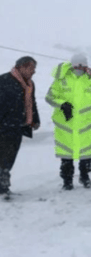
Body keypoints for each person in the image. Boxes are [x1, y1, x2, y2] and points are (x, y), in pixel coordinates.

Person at [45, 53, 91, 190]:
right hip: (66, 125)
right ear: (72, 65)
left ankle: (84, 177)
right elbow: (49, 97)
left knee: (86, 155)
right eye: (77, 65)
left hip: (87, 125)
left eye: (83, 66)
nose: (79, 68)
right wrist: (62, 104)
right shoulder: (61, 80)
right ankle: (67, 181)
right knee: (66, 156)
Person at [0, 56, 41, 197]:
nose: (34, 71)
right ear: (20, 67)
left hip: (18, 126)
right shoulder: (4, 81)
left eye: (34, 68)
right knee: (3, 158)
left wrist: (35, 120)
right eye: (31, 68)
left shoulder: (30, 84)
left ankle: (3, 187)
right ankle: (3, 188)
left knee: (9, 157)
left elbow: (31, 102)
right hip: (4, 126)